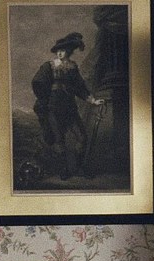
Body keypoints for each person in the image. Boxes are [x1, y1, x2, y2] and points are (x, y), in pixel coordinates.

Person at [32, 32, 104, 180]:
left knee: (82, 137)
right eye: (58, 50)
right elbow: (37, 82)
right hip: (53, 108)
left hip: (70, 108)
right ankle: (63, 170)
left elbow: (80, 87)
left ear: (69, 52)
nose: (59, 53)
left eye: (63, 50)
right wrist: (45, 99)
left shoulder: (72, 68)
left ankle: (78, 168)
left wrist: (93, 101)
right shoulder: (49, 66)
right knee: (59, 140)